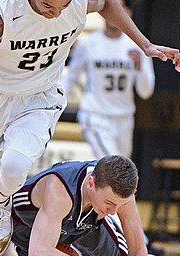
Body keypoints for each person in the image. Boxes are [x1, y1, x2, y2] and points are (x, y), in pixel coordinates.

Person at [0, 0, 180, 255]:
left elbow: (108, 3)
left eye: (61, 6)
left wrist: (144, 44)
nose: (54, 13)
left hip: (39, 97)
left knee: (15, 167)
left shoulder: (78, 4)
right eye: (47, 6)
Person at [63, 0, 155, 159]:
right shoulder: (88, 43)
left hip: (124, 118)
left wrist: (140, 68)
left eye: (121, 7)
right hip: (95, 115)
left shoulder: (137, 46)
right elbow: (70, 79)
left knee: (118, 171)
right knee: (115, 165)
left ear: (128, 11)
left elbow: (146, 92)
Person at [10, 155, 149, 256]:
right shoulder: (60, 191)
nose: (113, 212)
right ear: (91, 183)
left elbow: (138, 251)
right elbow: (39, 251)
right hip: (29, 225)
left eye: (120, 204)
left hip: (86, 219)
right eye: (109, 203)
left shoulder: (121, 193)